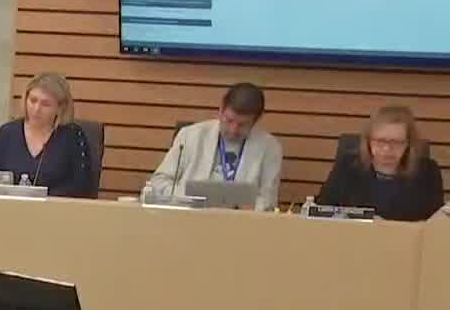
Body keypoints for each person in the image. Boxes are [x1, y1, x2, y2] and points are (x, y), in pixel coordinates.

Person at [145, 83, 283, 210]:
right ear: (221, 109)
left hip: (238, 221)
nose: (233, 130)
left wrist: (243, 206)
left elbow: (269, 201)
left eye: (242, 125)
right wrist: (188, 197)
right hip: (189, 215)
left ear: (256, 120)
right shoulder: (190, 135)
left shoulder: (270, 148)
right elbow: (159, 181)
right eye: (229, 120)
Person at [314, 106, 444, 221]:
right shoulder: (348, 166)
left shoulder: (427, 171)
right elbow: (322, 210)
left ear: (409, 144)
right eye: (380, 141)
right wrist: (365, 218)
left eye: (396, 142)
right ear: (368, 140)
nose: (387, 149)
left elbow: (435, 222)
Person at [0, 72, 95, 198]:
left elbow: (82, 188)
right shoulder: (6, 133)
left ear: (60, 108)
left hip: (56, 208)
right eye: (33, 100)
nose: (36, 109)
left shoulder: (73, 137)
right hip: (8, 207)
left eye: (45, 104)